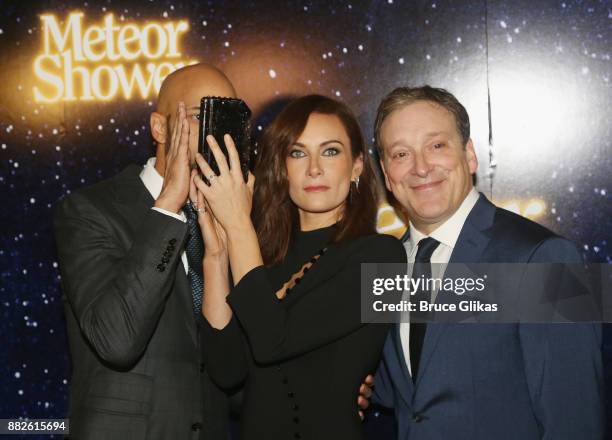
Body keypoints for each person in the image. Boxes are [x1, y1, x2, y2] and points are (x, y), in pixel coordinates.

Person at [372, 86, 604, 439]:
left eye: (437, 146)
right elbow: (396, 391)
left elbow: (575, 420)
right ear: (387, 175)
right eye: (401, 154)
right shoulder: (385, 266)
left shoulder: (545, 259)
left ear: (469, 155)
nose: (420, 168)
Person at [189, 95, 407, 440]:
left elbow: (272, 340)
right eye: (298, 152)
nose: (314, 168)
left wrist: (238, 226)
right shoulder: (259, 257)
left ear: (357, 166)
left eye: (331, 151)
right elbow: (226, 371)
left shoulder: (382, 258)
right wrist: (217, 255)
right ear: (281, 167)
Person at [53, 63, 238, 439]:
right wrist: (169, 204)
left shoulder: (234, 219)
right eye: (203, 116)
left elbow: (236, 372)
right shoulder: (90, 210)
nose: (214, 134)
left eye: (228, 120)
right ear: (159, 127)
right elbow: (116, 340)